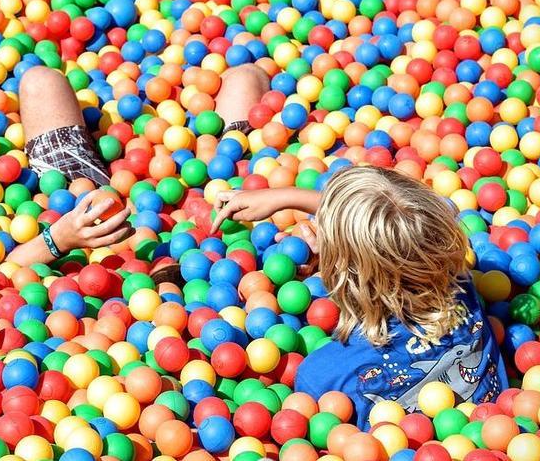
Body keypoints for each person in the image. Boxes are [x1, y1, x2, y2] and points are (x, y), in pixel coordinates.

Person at [211, 166, 507, 429]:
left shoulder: (324, 376)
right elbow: (409, 221)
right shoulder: (459, 281)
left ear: (343, 279)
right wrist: (287, 198)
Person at [6, 63, 270, 266]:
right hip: (215, 199)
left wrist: (60, 237)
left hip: (82, 212)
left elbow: (1, 273)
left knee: (39, 80)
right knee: (248, 75)